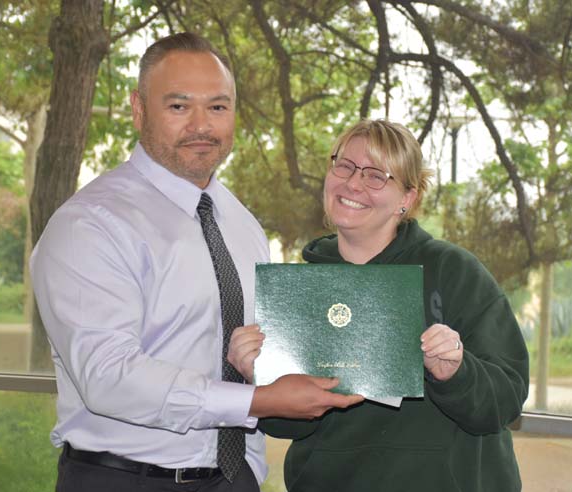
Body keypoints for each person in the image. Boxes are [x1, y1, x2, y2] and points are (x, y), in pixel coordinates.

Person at [30, 32, 362, 492]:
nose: (202, 125)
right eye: (179, 106)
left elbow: (251, 347)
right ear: (138, 108)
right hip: (125, 480)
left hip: (234, 479)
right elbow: (108, 377)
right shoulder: (90, 225)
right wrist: (257, 399)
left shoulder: (241, 223)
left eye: (218, 107)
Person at [229, 119, 530, 491]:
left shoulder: (453, 272)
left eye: (376, 175)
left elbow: (507, 399)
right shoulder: (301, 289)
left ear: (408, 197)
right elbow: (287, 425)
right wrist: (257, 378)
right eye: (345, 166)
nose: (353, 183)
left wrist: (455, 373)